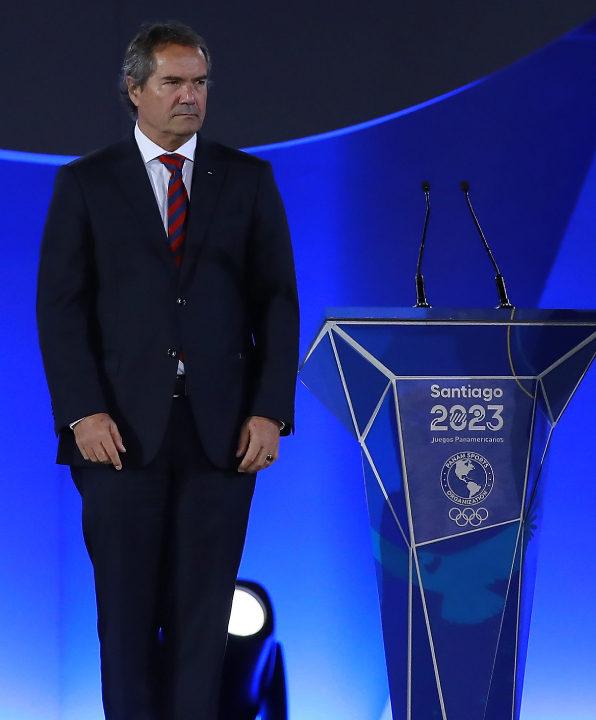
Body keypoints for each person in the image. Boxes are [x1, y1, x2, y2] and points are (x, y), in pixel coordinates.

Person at [36, 22, 298, 720]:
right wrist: (83, 412)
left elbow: (276, 302)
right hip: (117, 437)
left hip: (223, 435)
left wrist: (270, 411)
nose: (190, 96)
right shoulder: (86, 182)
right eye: (173, 82)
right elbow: (60, 309)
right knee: (125, 623)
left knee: (203, 626)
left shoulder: (247, 179)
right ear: (135, 90)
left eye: (200, 82)